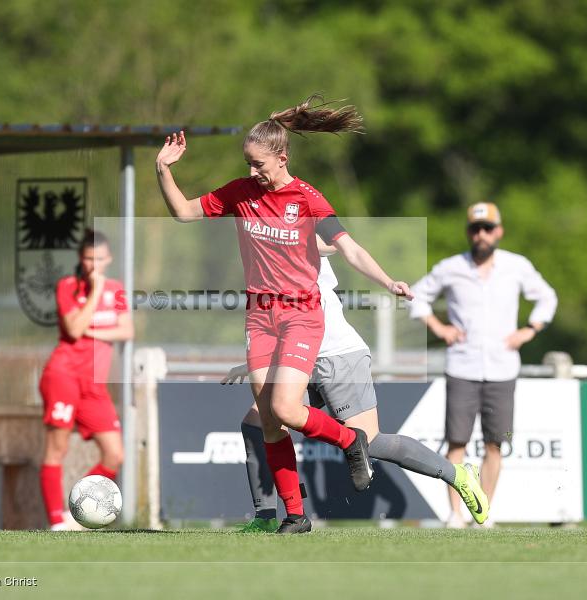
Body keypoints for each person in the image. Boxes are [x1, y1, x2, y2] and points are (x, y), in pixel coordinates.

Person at [156, 95, 411, 533]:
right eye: (248, 164)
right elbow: (182, 212)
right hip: (260, 317)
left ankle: (352, 442)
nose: (252, 172)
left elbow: (349, 247)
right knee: (270, 420)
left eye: (259, 164)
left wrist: (388, 282)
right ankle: (295, 516)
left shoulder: (307, 198)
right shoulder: (240, 192)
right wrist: (163, 169)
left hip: (301, 315)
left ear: (282, 156)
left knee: (286, 407)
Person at [223, 252, 489, 532]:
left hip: (337, 355)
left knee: (371, 442)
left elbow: (340, 247)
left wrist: (387, 282)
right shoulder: (262, 246)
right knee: (258, 423)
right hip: (297, 356)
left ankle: (457, 474)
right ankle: (265, 517)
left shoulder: (292, 230)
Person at [409, 202, 557, 528]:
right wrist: (439, 327)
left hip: (503, 369)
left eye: (488, 228)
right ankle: (455, 514)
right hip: (462, 367)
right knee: (457, 442)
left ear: (499, 231)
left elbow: (548, 297)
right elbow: (416, 296)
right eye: (476, 229)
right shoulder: (451, 267)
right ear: (468, 232)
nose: (482, 234)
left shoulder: (517, 266)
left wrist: (529, 330)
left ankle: (483, 513)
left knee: (496, 443)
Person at [39, 229, 134, 531]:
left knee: (114, 454)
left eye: (100, 259)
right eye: (89, 259)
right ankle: (56, 521)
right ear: (81, 259)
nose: (94, 265)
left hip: (95, 386)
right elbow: (74, 328)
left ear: (109, 259)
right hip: (63, 376)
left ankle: (78, 509)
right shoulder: (67, 286)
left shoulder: (117, 289)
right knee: (57, 449)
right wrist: (94, 292)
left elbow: (126, 330)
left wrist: (94, 331)